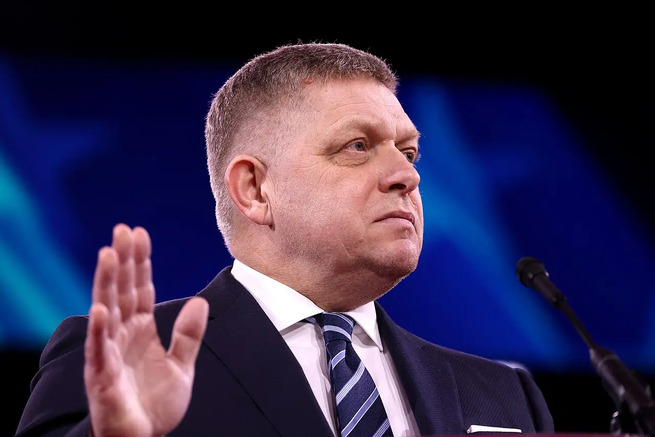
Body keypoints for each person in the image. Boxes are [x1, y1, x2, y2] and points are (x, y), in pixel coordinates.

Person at [15, 42, 554, 437]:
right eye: (358, 146)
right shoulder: (121, 359)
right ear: (254, 189)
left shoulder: (503, 394)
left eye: (409, 152)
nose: (407, 176)